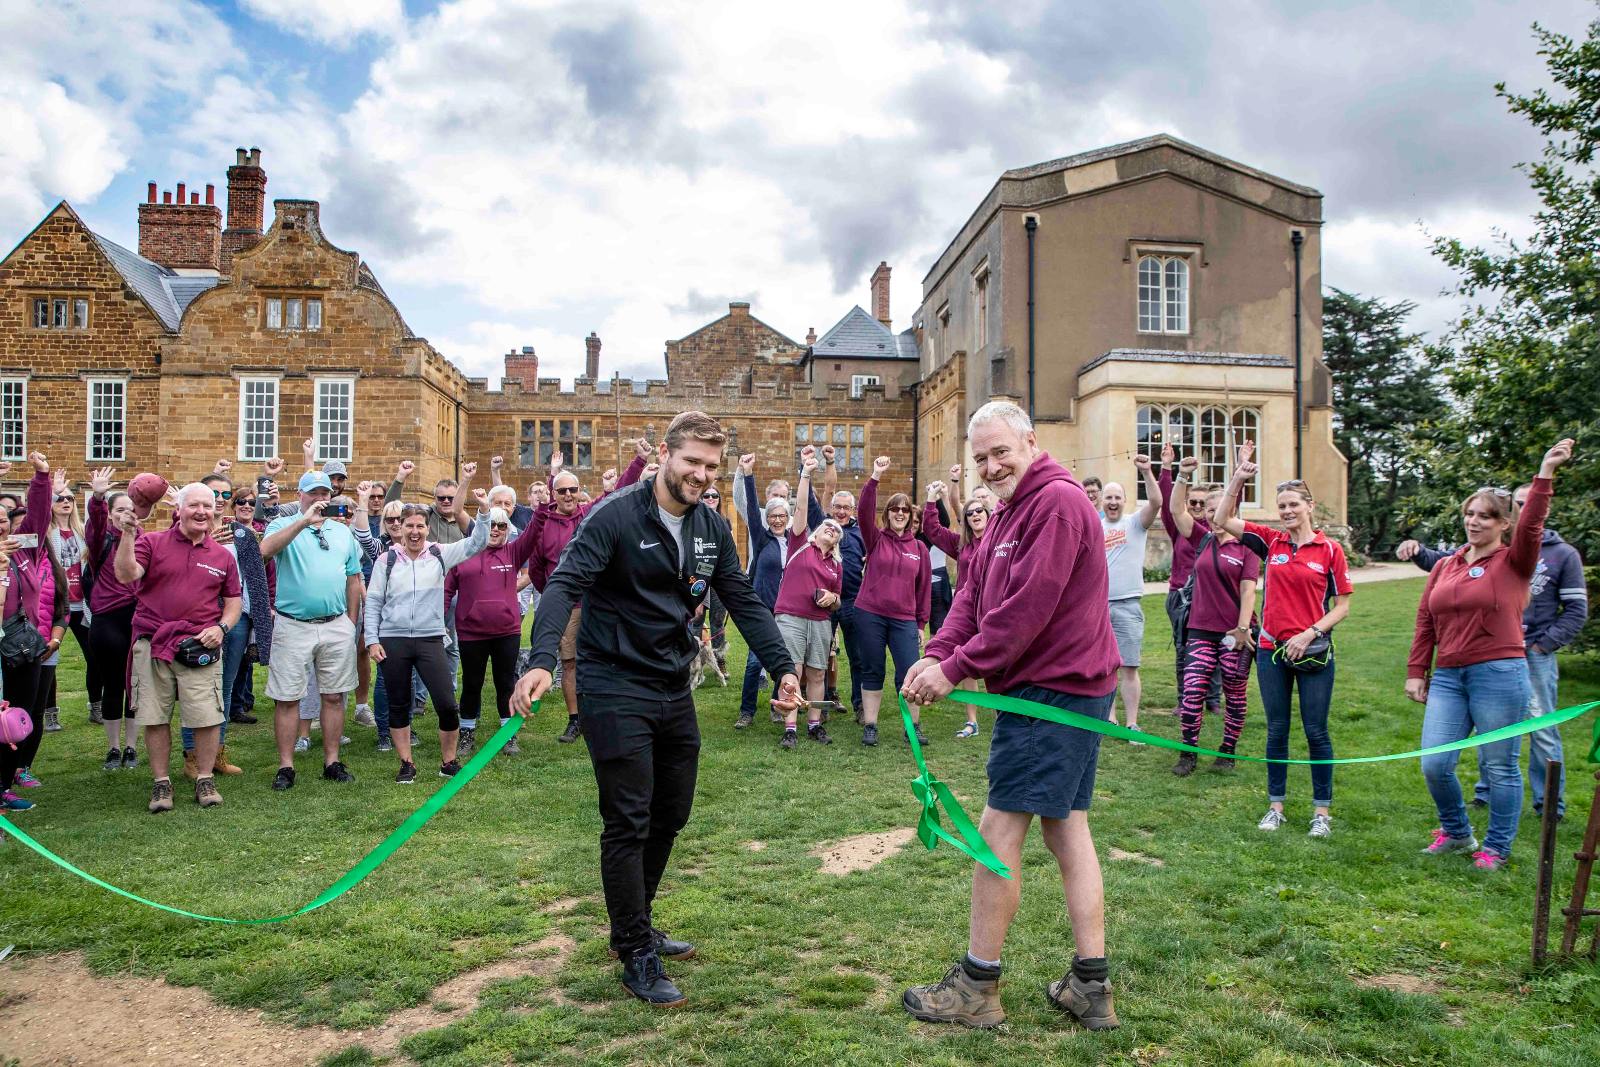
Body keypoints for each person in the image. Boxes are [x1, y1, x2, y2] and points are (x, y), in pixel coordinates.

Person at [510, 411, 799, 1007]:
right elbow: (563, 586)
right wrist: (540, 659)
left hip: (673, 685)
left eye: (711, 466)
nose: (700, 474)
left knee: (672, 812)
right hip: (613, 684)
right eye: (691, 461)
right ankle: (635, 948)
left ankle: (634, 922)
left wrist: (783, 666)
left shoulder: (710, 528)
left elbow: (741, 599)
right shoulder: (613, 517)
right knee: (629, 819)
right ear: (664, 455)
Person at [900, 401, 1122, 1031]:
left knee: (998, 832)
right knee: (1067, 827)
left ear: (1031, 441)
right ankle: (1089, 984)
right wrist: (940, 652)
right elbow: (972, 595)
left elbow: (1025, 612)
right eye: (981, 458)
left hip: (1049, 695)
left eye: (1002, 452)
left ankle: (977, 985)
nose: (993, 466)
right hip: (1052, 693)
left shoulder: (1054, 504)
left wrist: (956, 669)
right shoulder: (1005, 514)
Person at [1407, 440, 1575, 869]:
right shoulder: (1448, 565)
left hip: (1499, 673)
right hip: (1448, 675)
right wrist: (1417, 670)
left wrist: (1545, 472)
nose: (1474, 521)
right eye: (1469, 514)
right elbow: (1426, 620)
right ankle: (1459, 833)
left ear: (1503, 524)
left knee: (1499, 766)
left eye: (1484, 515)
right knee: (1434, 763)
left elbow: (1533, 524)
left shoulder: (1516, 561)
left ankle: (1497, 848)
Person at [1212, 443, 1352, 839]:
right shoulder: (1270, 541)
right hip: (1272, 651)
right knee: (1276, 729)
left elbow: (1342, 606)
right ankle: (1276, 806)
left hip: (1313, 653)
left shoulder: (1329, 549)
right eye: (1282, 506)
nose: (1287, 511)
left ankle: (1321, 812)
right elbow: (1222, 518)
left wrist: (1311, 633)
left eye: (1294, 504)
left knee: (1316, 731)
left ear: (1309, 506)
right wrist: (1238, 478)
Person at [113, 481, 242, 812]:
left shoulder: (221, 555)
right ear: (179, 510)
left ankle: (204, 778)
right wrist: (128, 535)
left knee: (207, 716)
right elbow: (126, 574)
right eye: (194, 505)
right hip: (154, 643)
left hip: (201, 645)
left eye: (208, 506)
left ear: (215, 512)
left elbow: (233, 601)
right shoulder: (152, 542)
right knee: (155, 716)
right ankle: (161, 784)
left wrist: (222, 627)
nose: (201, 512)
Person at [527, 448, 646, 742]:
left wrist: (639, 461)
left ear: (580, 492)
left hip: (599, 602)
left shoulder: (590, 513)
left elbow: (618, 494)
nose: (568, 495)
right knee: (570, 662)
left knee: (608, 658)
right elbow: (537, 569)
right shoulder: (543, 527)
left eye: (573, 490)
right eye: (563, 490)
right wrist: (557, 597)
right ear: (554, 494)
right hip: (569, 606)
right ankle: (575, 719)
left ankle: (609, 715)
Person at [366, 499, 488, 783]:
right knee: (399, 703)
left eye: (420, 526)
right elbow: (373, 602)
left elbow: (476, 543)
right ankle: (406, 763)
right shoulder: (388, 559)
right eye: (409, 525)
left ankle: (448, 761)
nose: (414, 531)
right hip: (393, 639)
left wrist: (482, 512)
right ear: (400, 528)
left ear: (427, 528)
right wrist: (372, 639)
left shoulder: (439, 554)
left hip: (430, 638)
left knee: (446, 703)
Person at [259, 471, 366, 790]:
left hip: (335, 625)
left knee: (334, 695)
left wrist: (350, 622)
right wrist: (303, 522)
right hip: (294, 625)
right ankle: (286, 766)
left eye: (324, 493)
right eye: (313, 493)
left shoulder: (342, 532)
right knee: (288, 697)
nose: (320, 499)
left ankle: (332, 761)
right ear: (301, 495)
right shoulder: (283, 525)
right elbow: (265, 550)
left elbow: (352, 577)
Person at [1166, 470, 1259, 776]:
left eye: (1218, 509)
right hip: (1200, 630)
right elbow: (1176, 510)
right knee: (1192, 694)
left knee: (1234, 693)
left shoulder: (1247, 546)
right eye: (1208, 509)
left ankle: (1227, 750)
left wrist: (1243, 628)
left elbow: (1248, 590)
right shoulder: (1202, 540)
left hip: (1235, 632)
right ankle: (1188, 752)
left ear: (1231, 510)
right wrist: (1181, 476)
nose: (1213, 515)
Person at [446, 502, 540, 756]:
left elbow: (535, 530)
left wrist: (546, 496)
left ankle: (507, 735)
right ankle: (466, 733)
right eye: (491, 525)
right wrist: (438, 623)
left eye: (501, 525)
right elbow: (447, 591)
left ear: (508, 530)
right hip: (471, 632)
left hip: (506, 632)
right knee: (472, 683)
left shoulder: (513, 552)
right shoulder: (463, 553)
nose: (496, 530)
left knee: (505, 682)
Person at [1, 453, 65, 808]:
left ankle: (5, 784)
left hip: (22, 647)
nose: (0, 526)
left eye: (3, 520)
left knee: (18, 716)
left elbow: (39, 520)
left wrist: (42, 477)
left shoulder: (22, 550)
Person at [855, 455, 931, 746]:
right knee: (872, 668)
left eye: (904, 510)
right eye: (894, 509)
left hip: (904, 619)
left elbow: (923, 589)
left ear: (911, 517)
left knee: (910, 672)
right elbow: (863, 511)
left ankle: (912, 726)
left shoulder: (919, 548)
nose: (899, 513)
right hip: (870, 614)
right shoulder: (875, 539)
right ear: (887, 514)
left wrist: (921, 624)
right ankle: (871, 726)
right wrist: (875, 477)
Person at [770, 455, 843, 749]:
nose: (831, 529)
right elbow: (800, 506)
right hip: (791, 616)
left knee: (817, 672)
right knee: (794, 671)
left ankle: (814, 724)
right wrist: (806, 473)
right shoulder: (800, 544)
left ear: (837, 540)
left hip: (821, 621)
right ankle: (790, 727)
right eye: (827, 525)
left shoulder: (836, 565)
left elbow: (839, 600)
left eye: (836, 530)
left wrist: (832, 598)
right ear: (816, 532)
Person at [922, 466, 991, 739]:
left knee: (1003, 665)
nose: (975, 515)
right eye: (970, 513)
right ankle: (972, 721)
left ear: (988, 515)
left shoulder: (1000, 541)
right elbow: (932, 529)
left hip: (995, 609)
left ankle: (1007, 714)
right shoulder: (961, 544)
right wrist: (930, 499)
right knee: (968, 664)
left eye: (979, 511)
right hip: (968, 612)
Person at [1099, 458, 1162, 740]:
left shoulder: (1135, 523)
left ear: (1124, 500)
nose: (1112, 502)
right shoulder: (1094, 526)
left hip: (1128, 605)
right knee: (1104, 666)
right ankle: (1109, 716)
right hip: (1098, 608)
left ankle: (1133, 722)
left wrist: (1146, 471)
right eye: (1108, 497)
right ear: (1101, 501)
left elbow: (1157, 502)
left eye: (1117, 497)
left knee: (1129, 666)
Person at [1158, 444, 1222, 718]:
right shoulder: (1180, 529)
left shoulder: (1217, 530)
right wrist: (1166, 469)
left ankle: (1213, 698)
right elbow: (1166, 502)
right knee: (1184, 647)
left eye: (1202, 503)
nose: (1196, 507)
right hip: (1181, 597)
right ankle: (1184, 697)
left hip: (1211, 597)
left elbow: (1233, 505)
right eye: (1192, 502)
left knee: (1216, 645)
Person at [85, 470, 140, 770]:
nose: (125, 515)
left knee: (134, 684)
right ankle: (113, 748)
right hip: (106, 621)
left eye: (130, 510)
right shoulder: (100, 541)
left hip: (136, 619)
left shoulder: (141, 538)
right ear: (110, 515)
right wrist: (97, 497)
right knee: (112, 684)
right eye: (119, 510)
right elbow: (93, 524)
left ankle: (131, 747)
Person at [43, 469, 99, 730]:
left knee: (95, 656)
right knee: (49, 658)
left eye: (69, 499)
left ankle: (96, 707)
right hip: (56, 605)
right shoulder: (46, 531)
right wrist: (50, 490)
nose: (65, 502)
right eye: (59, 499)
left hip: (81, 604)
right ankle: (50, 713)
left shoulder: (81, 532)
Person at [827, 485, 867, 720]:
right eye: (838, 507)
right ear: (831, 509)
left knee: (857, 656)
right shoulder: (824, 528)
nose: (842, 511)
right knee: (821, 656)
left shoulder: (862, 532)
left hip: (853, 600)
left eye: (846, 507)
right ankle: (821, 706)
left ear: (853, 510)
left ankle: (860, 705)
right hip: (825, 601)